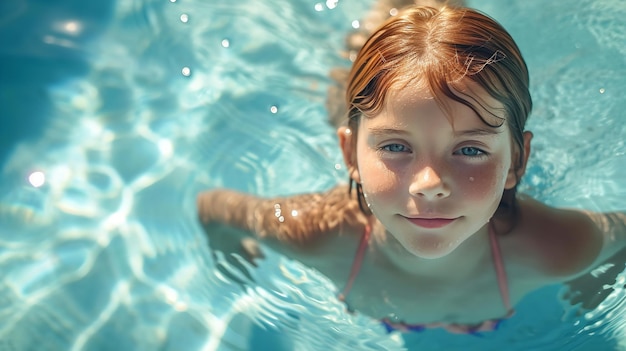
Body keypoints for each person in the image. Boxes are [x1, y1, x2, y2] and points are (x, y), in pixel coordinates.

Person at [197, 5, 626, 334]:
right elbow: (215, 209)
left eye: (471, 150)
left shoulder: (558, 247)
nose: (430, 184)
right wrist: (234, 258)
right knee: (356, 82)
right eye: (397, 147)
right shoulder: (313, 232)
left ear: (517, 160)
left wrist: (594, 283)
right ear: (349, 157)